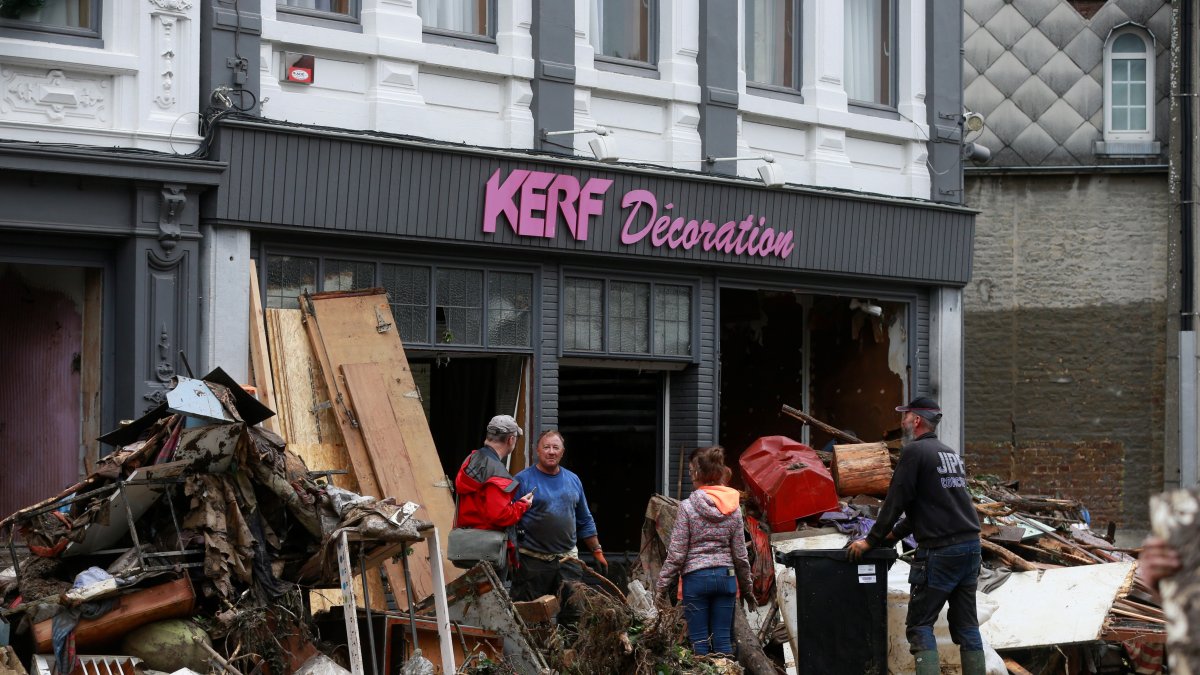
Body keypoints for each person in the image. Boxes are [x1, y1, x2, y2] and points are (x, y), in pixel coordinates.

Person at [848, 396, 984, 675]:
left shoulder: (914, 452)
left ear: (917, 420)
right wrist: (895, 535)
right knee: (967, 626)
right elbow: (931, 505)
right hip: (970, 548)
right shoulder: (949, 454)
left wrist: (871, 540)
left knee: (920, 625)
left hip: (941, 552)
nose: (902, 421)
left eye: (905, 415)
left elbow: (895, 501)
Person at [656, 446, 753, 656]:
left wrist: (661, 586)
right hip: (726, 578)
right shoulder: (734, 508)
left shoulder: (687, 507)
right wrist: (748, 589)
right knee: (723, 641)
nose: (690, 477)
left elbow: (677, 553)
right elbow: (740, 555)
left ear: (699, 473)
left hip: (696, 579)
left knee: (699, 642)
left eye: (691, 472)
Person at [511, 430, 605, 625]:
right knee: (529, 615)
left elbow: (584, 519)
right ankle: (531, 656)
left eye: (556, 447)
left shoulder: (573, 480)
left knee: (573, 614)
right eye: (546, 447)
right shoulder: (523, 480)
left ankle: (568, 654)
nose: (551, 452)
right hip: (533, 561)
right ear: (537, 450)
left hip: (567, 560)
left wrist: (596, 550)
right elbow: (509, 518)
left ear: (563, 452)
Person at [454, 414, 534, 579]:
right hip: (489, 550)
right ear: (511, 440)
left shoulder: (470, 460)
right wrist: (522, 505)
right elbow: (501, 516)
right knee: (492, 602)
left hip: (467, 546)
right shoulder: (497, 471)